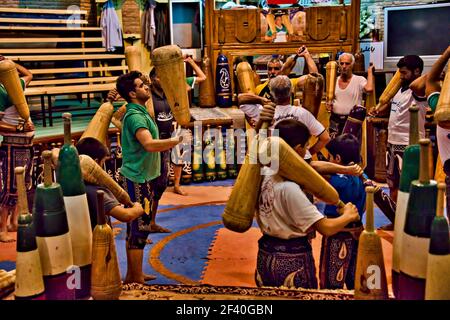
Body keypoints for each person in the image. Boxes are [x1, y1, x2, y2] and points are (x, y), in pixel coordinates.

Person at [255, 118, 360, 289]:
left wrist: (344, 169)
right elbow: (326, 227)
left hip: (264, 256)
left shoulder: (264, 172)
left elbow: (309, 166)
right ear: (298, 149)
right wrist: (348, 215)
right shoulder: (290, 189)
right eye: (306, 147)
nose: (307, 153)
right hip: (292, 262)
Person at [115, 71, 183, 284]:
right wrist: (176, 140)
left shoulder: (140, 111)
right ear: (132, 93)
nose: (146, 87)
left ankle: (133, 275)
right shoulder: (135, 116)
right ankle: (136, 280)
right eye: (140, 85)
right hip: (136, 179)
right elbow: (149, 144)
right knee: (139, 230)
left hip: (142, 177)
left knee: (137, 229)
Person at [370, 55, 427, 203]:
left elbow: (423, 81)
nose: (400, 76)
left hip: (409, 144)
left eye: (404, 73)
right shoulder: (399, 89)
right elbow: (392, 108)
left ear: (417, 71)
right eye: (399, 73)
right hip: (393, 142)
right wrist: (378, 110)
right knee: (393, 183)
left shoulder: (419, 90)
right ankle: (396, 218)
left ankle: (409, 221)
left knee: (407, 184)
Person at [318, 133, 366, 290]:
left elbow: (312, 166)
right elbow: (364, 207)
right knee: (355, 280)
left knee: (331, 284)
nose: (328, 160)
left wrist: (340, 170)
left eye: (329, 157)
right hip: (358, 232)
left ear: (337, 159)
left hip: (338, 233)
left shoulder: (334, 180)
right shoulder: (363, 176)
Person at [247, 75, 330, 160]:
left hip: (275, 161)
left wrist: (260, 100)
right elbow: (325, 138)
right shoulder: (303, 113)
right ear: (291, 91)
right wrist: (308, 152)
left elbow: (242, 101)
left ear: (271, 93)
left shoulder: (264, 112)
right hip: (302, 161)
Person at [0, 56, 33, 242]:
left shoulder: (16, 84)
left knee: (22, 184)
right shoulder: (0, 91)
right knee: (10, 188)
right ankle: (2, 229)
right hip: (13, 143)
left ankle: (13, 222)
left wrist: (12, 63)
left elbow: (29, 74)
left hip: (25, 143)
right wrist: (19, 128)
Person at [171, 55, 207, 196]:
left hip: (180, 121)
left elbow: (202, 77)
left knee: (180, 154)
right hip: (166, 120)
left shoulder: (184, 82)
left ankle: (177, 184)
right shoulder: (163, 83)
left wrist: (191, 62)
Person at [425, 45, 450, 217]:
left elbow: (431, 80)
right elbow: (431, 81)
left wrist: (447, 53)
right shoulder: (440, 108)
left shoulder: (439, 109)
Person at [326, 52, 374, 139]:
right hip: (335, 120)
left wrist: (370, 72)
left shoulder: (359, 80)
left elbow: (369, 89)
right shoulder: (334, 81)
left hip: (352, 121)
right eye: (341, 63)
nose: (344, 66)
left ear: (352, 65)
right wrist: (328, 104)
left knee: (351, 149)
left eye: (347, 63)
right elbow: (329, 98)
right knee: (334, 149)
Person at [254, 45, 318, 101]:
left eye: (276, 69)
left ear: (281, 71)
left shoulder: (289, 84)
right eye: (270, 69)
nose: (272, 72)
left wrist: (307, 55)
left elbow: (314, 78)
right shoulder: (259, 88)